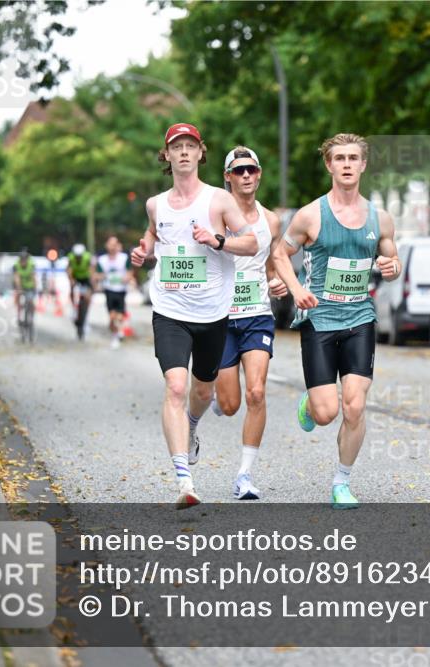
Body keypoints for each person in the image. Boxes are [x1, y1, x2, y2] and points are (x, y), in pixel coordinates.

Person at [130, 122, 258, 509]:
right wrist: (144, 252)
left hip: (213, 312)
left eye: (190, 146)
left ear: (201, 153)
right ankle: (184, 478)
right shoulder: (156, 203)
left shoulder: (219, 200)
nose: (183, 152)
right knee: (174, 387)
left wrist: (217, 240)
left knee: (203, 391)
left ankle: (193, 425)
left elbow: (251, 242)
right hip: (169, 310)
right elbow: (153, 234)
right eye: (176, 147)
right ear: (166, 156)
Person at [272, 133, 401, 510]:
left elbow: (391, 265)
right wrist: (296, 289)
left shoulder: (381, 219)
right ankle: (311, 405)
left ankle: (341, 482)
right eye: (339, 158)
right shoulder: (311, 215)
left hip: (360, 317)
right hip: (319, 320)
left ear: (363, 165)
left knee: (355, 406)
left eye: (353, 158)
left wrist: (391, 268)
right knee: (327, 412)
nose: (346, 164)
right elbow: (281, 254)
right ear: (329, 165)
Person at [206, 146, 289, 500]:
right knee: (230, 405)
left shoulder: (271, 221)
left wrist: (278, 281)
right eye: (238, 171)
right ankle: (210, 393)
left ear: (259, 174)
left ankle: (244, 475)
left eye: (251, 170)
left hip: (257, 315)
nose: (245, 176)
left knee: (256, 392)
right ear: (227, 177)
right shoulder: (215, 216)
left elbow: (273, 263)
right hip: (222, 318)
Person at [95, 235, 134, 349]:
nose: (112, 247)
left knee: (120, 316)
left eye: (114, 244)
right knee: (112, 317)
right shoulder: (102, 260)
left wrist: (127, 278)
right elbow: (97, 274)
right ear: (106, 246)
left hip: (121, 290)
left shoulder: (124, 258)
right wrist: (101, 277)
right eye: (110, 244)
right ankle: (116, 335)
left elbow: (130, 272)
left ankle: (118, 332)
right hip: (109, 290)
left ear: (118, 246)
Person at [67, 242, 95, 336]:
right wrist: (71, 280)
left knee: (88, 297)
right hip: (76, 277)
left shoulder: (87, 257)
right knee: (71, 290)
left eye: (79, 256)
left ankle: (85, 317)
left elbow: (91, 269)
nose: (78, 258)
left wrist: (91, 280)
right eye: (76, 256)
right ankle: (74, 308)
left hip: (85, 278)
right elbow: (69, 270)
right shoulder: (71, 257)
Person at [12, 248, 37, 325]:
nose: (23, 261)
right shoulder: (16, 265)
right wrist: (19, 288)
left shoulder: (31, 264)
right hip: (19, 284)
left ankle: (31, 317)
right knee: (18, 297)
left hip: (29, 285)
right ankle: (19, 316)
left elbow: (34, 277)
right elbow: (16, 278)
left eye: (25, 259)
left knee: (31, 301)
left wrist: (35, 287)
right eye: (22, 260)